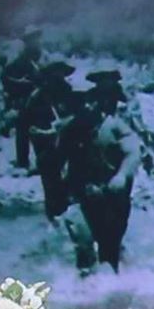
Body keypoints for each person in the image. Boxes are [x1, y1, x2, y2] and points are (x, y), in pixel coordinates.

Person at [61, 71, 141, 274]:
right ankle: (85, 287)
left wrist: (122, 175)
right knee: (83, 244)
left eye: (89, 102)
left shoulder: (115, 126)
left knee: (109, 248)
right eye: (79, 103)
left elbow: (133, 152)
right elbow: (58, 161)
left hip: (113, 196)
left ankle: (115, 279)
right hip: (83, 196)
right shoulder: (70, 129)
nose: (86, 106)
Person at [22, 60, 76, 220]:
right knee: (49, 175)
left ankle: (64, 206)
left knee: (68, 174)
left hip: (66, 138)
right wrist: (39, 132)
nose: (59, 76)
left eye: (61, 73)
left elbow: (74, 114)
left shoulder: (68, 91)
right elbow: (28, 119)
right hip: (44, 140)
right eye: (55, 73)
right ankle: (53, 210)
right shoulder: (38, 96)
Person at [0, 31, 44, 171]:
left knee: (39, 133)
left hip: (40, 101)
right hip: (24, 101)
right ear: (27, 42)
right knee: (23, 132)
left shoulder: (41, 57)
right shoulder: (21, 60)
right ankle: (23, 162)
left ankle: (41, 161)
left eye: (37, 39)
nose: (37, 42)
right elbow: (7, 78)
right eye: (33, 40)